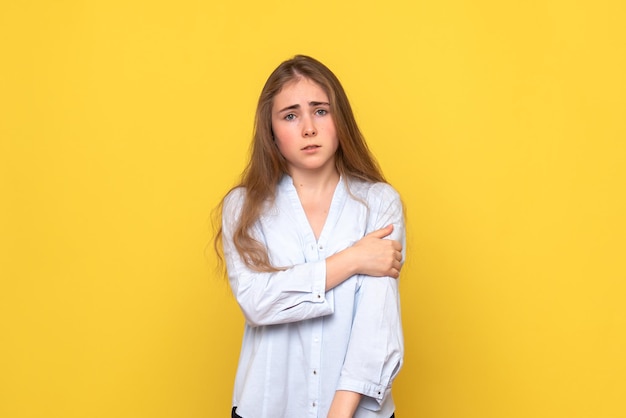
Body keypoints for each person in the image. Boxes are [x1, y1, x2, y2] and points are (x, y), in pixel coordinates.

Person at [215, 55, 405, 418]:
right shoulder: (242, 208)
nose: (308, 128)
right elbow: (258, 301)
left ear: (340, 119)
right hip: (268, 408)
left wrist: (339, 414)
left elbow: (376, 327)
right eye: (290, 115)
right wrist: (352, 260)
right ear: (270, 131)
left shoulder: (379, 204)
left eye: (320, 111)